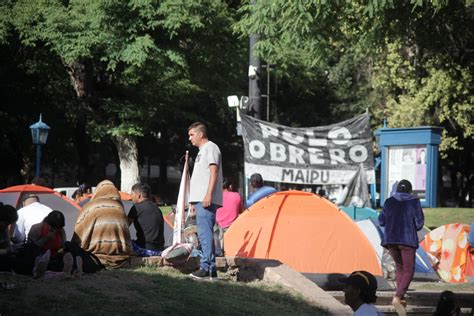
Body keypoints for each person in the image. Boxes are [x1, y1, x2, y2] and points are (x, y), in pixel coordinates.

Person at [378, 179, 424, 315]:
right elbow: (419, 223)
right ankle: (398, 296)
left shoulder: (389, 201)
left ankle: (400, 297)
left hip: (391, 240)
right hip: (407, 240)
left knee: (399, 267)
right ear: (410, 190)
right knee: (409, 269)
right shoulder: (414, 202)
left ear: (397, 189)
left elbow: (381, 221)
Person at [187, 122, 223, 279]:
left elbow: (213, 172)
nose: (189, 138)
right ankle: (211, 270)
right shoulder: (202, 151)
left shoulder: (211, 148)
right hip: (200, 200)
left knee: (204, 233)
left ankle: (206, 267)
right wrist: (193, 202)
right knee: (203, 233)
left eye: (191, 134)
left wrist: (208, 195)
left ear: (201, 134)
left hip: (205, 199)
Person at [72, 180, 132, 269]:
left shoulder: (90, 207)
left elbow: (79, 232)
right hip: (120, 256)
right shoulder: (119, 208)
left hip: (93, 255)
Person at [28, 210, 77, 276]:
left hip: (54, 256)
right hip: (39, 254)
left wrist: (63, 250)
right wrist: (46, 238)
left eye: (58, 227)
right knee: (38, 258)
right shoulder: (37, 228)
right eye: (54, 227)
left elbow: (62, 246)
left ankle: (68, 269)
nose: (56, 229)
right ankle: (41, 268)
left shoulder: (61, 231)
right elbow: (31, 247)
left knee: (68, 252)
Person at [128, 183, 165, 257]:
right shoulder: (157, 208)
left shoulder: (136, 208)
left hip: (145, 249)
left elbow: (124, 226)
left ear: (139, 195)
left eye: (132, 194)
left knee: (124, 243)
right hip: (159, 249)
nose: (131, 197)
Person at [215, 178, 243, 256]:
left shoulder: (216, 197)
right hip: (232, 228)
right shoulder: (237, 195)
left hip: (218, 229)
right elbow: (241, 211)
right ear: (230, 186)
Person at [0, 203, 18, 272]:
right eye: (7, 223)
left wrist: (10, 248)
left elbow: (8, 243)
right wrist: (6, 251)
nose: (7, 226)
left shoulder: (4, 227)